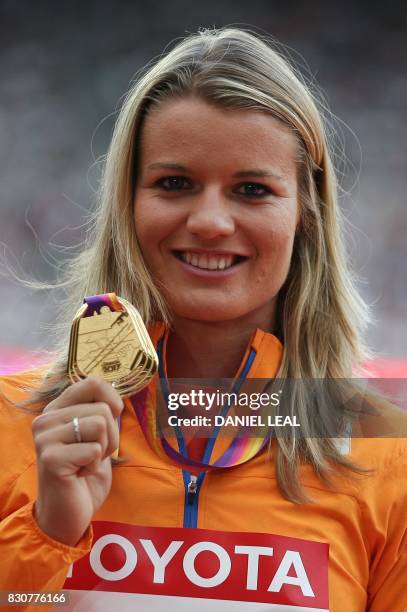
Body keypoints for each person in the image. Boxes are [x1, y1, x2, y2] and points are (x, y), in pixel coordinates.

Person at [0, 27, 406, 612]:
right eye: (175, 183)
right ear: (128, 203)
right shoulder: (20, 425)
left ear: (305, 214)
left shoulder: (385, 454)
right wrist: (46, 533)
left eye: (251, 189)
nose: (212, 221)